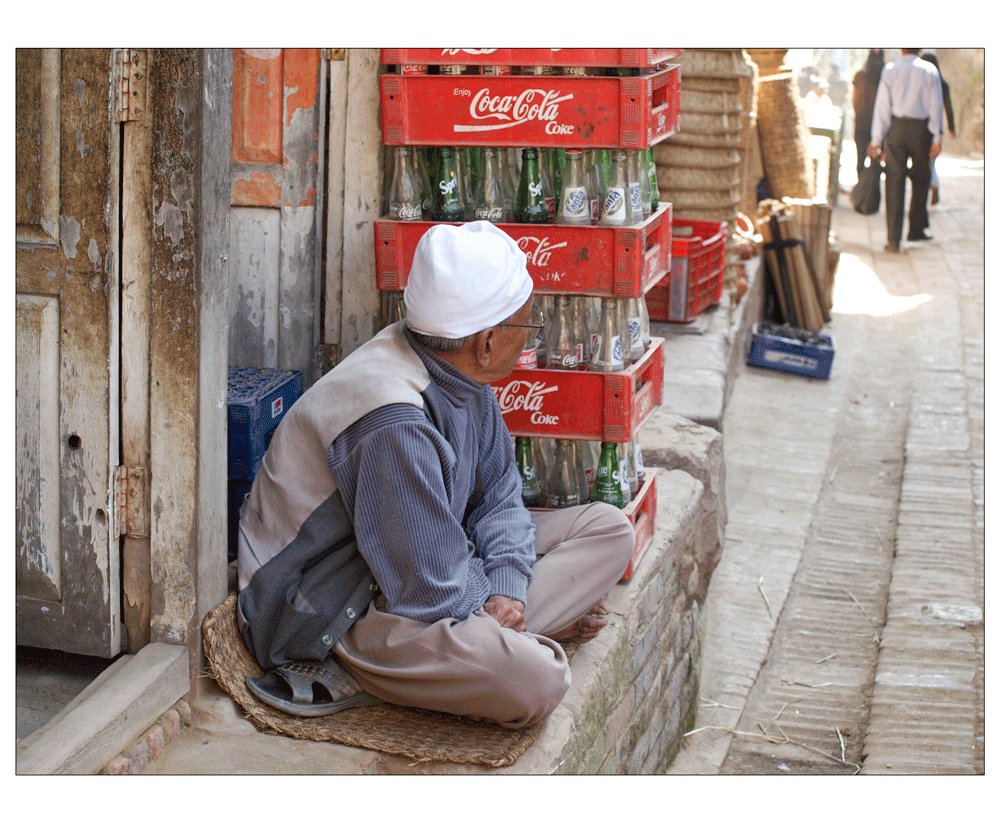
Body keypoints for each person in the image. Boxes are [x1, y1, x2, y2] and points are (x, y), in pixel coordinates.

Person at [235, 220, 635, 728]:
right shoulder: (393, 420)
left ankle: (498, 636)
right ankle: (370, 670)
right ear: (487, 341)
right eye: (528, 327)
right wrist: (488, 604)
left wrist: (507, 591)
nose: (531, 338)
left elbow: (501, 496)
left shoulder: (459, 371)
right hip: (330, 605)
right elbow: (430, 588)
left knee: (608, 530)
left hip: (418, 563)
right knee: (536, 680)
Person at [868, 49, 945, 252]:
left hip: (897, 131)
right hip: (921, 131)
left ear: (901, 49)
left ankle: (893, 239)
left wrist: (876, 139)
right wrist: (937, 137)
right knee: (921, 180)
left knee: (894, 182)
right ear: (920, 49)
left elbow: (882, 108)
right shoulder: (929, 71)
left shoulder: (890, 70)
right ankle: (916, 229)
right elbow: (936, 106)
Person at [918, 52, 956, 205]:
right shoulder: (943, 83)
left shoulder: (921, 82)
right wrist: (951, 127)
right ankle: (933, 184)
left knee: (925, 161)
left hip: (922, 126)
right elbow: (948, 106)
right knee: (930, 161)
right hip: (937, 127)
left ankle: (931, 184)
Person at [852, 49, 884, 179]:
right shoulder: (884, 77)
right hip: (879, 126)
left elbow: (854, 100)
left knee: (860, 160)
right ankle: (872, 193)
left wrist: (860, 114)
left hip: (861, 125)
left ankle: (861, 192)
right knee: (875, 161)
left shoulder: (860, 76)